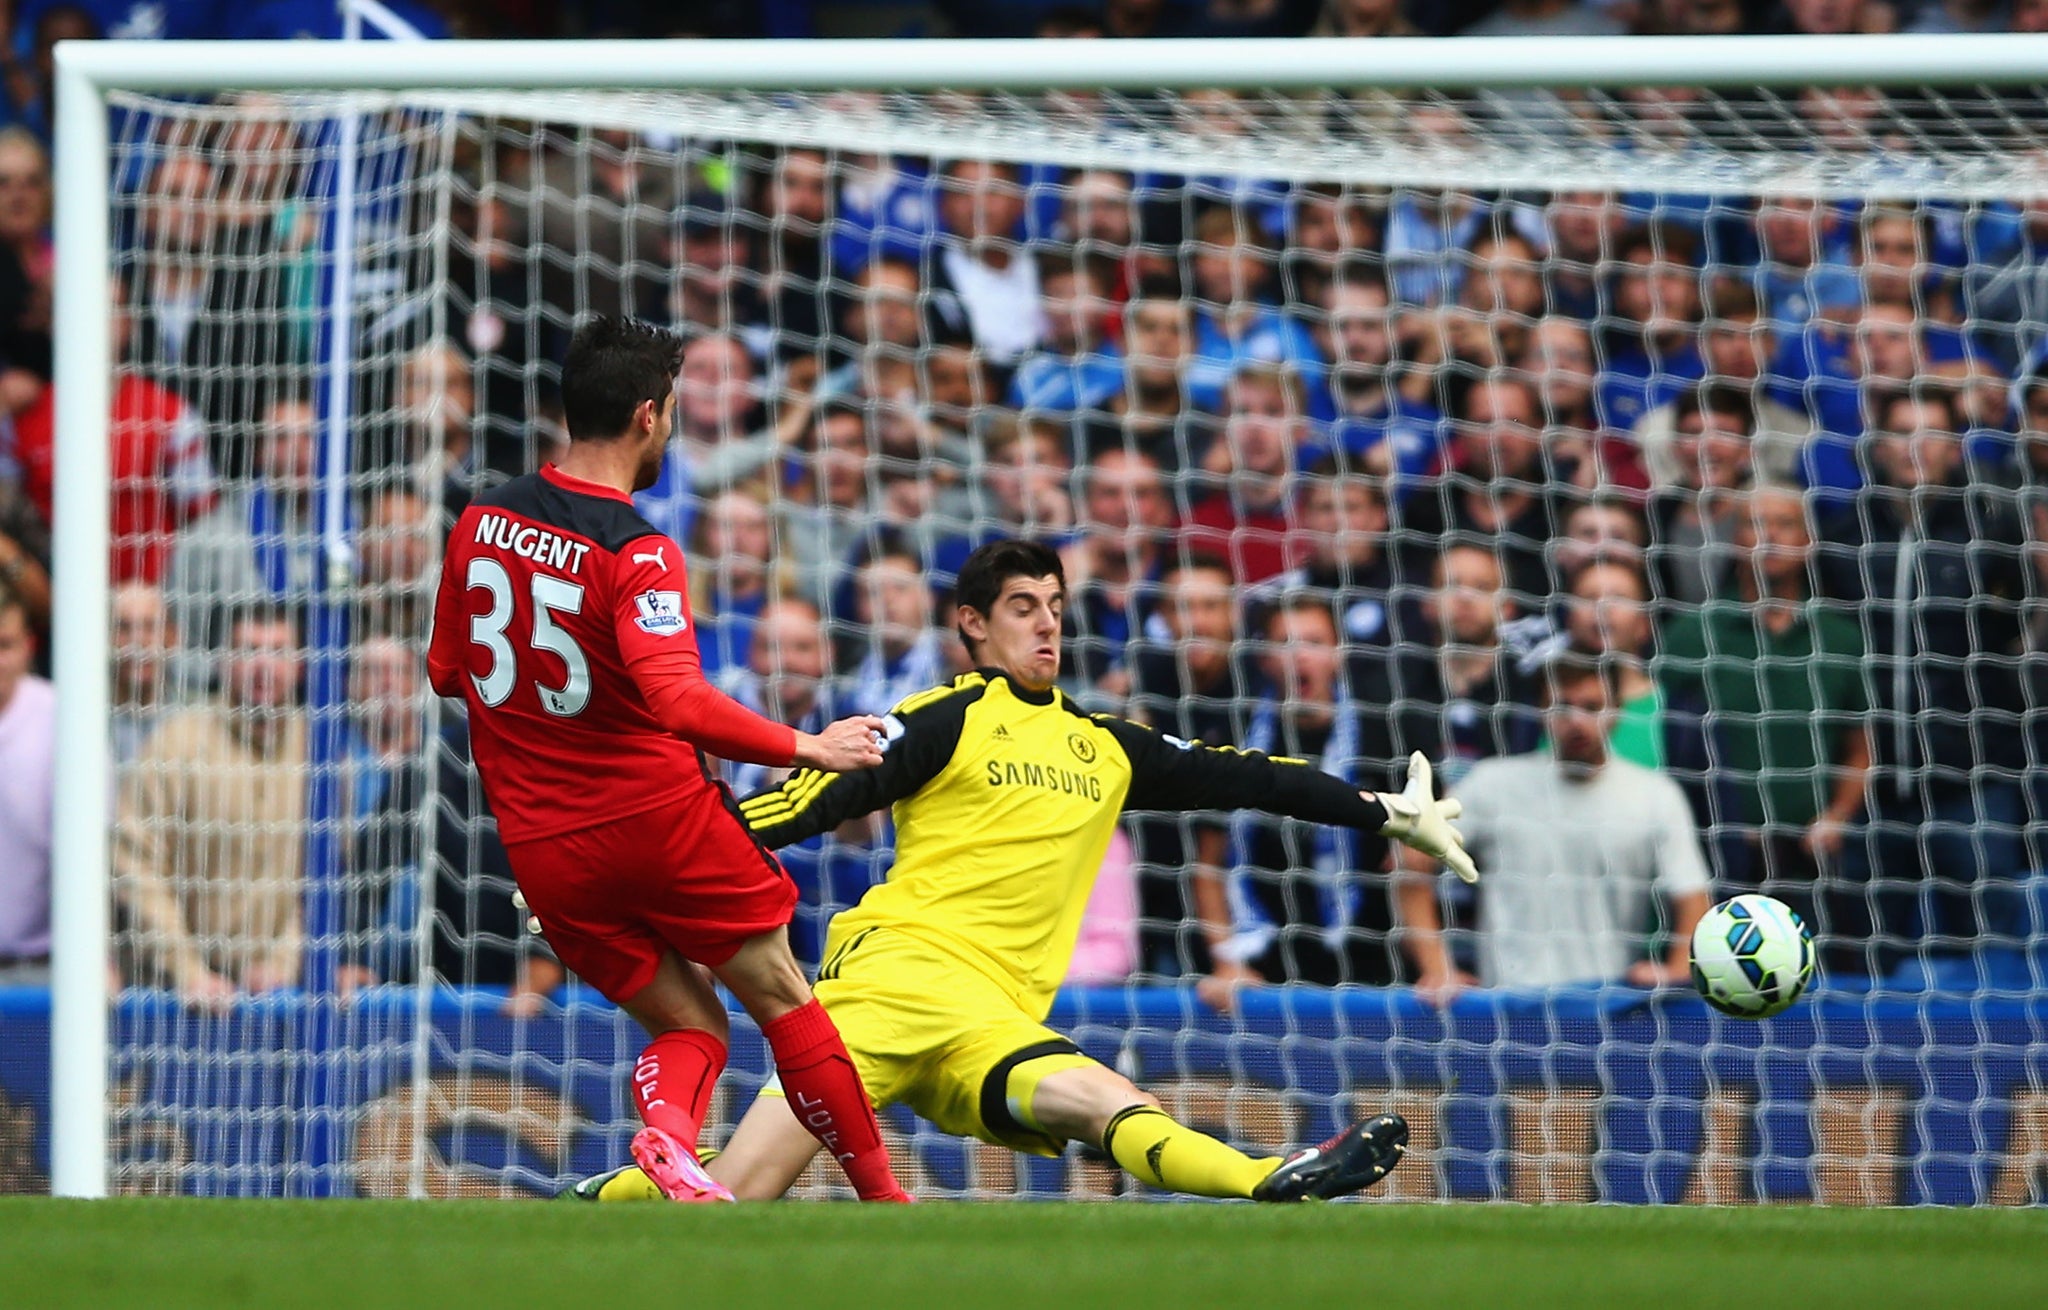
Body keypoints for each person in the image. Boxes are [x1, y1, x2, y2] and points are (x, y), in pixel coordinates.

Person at [569, 538, 1475, 1203]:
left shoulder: (1106, 745)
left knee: (1108, 1101)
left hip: (993, 1019)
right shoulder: (942, 717)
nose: (1046, 623)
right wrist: (648, 868)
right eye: (1021, 607)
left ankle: (1274, 1177)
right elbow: (809, 801)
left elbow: (1245, 776)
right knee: (735, 1194)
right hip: (890, 987)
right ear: (972, 623)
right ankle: (597, 1203)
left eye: (1054, 606)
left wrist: (1384, 812)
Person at [425, 317, 908, 1204]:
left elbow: (447, 671)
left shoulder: (480, 521)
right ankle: (889, 1201)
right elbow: (679, 701)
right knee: (786, 1000)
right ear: (649, 416)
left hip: (544, 850)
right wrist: (814, 746)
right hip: (657, 819)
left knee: (692, 1026)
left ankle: (671, 1139)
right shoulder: (638, 550)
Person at [1397, 652, 1711, 1002]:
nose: (1576, 721)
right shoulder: (1491, 784)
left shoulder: (1656, 796)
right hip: (1506, 1013)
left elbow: (1694, 898)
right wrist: (1437, 969)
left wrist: (1677, 971)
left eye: (1591, 707)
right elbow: (1410, 860)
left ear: (1617, 709)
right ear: (1542, 711)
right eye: (1562, 707)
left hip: (1609, 1015)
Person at [112, 606, 308, 1003]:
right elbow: (135, 867)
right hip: (174, 999)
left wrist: (282, 964)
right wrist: (188, 971)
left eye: (278, 650)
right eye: (249, 650)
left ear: (300, 663)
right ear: (223, 660)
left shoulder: (321, 749)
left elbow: (329, 879)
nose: (263, 666)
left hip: (284, 998)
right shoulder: (174, 743)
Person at [0, 579, 52, 982]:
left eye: (4, 645)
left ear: (28, 647)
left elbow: (98, 849)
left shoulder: (61, 719)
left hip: (40, 966)